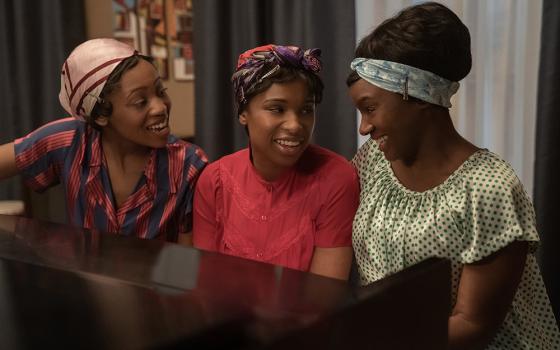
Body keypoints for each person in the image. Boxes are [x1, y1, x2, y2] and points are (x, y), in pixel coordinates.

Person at [347, 2, 560, 349]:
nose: (364, 127)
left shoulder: (489, 188)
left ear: (415, 94)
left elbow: (473, 325)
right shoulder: (373, 162)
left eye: (370, 108)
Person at [0, 38, 207, 243]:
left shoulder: (188, 165)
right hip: (81, 276)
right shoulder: (68, 140)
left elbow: (188, 262)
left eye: (161, 92)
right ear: (100, 115)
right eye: (140, 102)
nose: (160, 107)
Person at [193, 44, 359, 280]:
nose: (295, 125)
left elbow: (323, 295)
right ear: (243, 113)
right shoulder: (214, 180)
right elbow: (206, 280)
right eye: (277, 109)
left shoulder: (336, 178)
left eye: (305, 110)